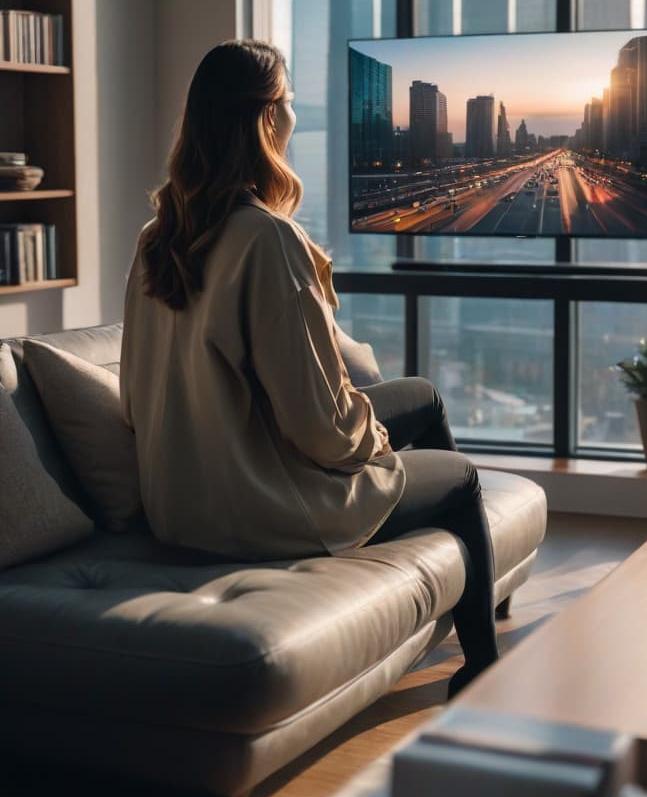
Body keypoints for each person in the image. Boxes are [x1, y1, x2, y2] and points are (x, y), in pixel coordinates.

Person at [120, 40, 498, 694]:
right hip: (256, 507)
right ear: (266, 121)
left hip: (180, 506)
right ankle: (486, 664)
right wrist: (374, 443)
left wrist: (363, 416)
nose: (295, 116)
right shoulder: (268, 241)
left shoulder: (160, 239)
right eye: (289, 102)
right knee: (460, 479)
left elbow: (132, 394)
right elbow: (318, 424)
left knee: (425, 399)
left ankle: (479, 608)